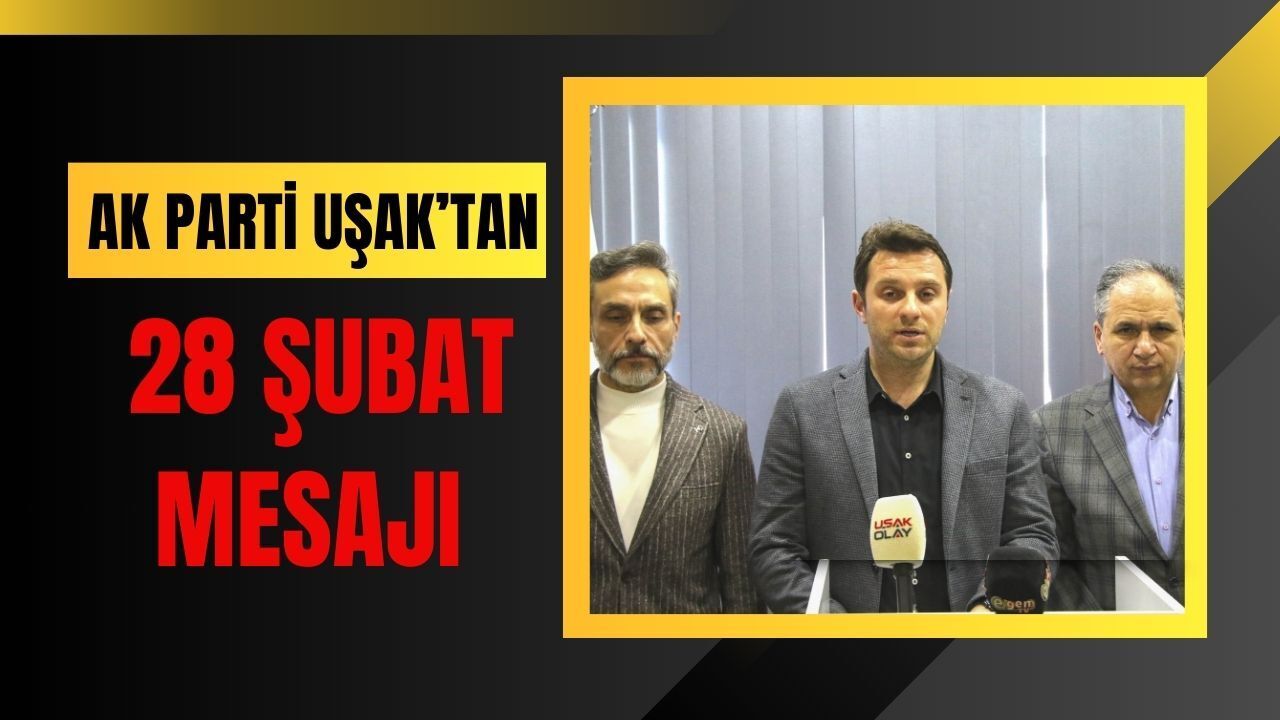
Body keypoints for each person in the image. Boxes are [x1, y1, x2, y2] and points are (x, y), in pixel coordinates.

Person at [749, 220, 1057, 612]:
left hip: (972, 637)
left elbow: (1033, 534)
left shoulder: (1003, 410)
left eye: (927, 294)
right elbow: (774, 546)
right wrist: (835, 627)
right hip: (846, 642)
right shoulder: (802, 409)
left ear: (947, 304)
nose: (911, 310)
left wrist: (990, 610)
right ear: (860, 305)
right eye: (891, 293)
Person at [589, 242, 761, 613]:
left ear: (675, 326)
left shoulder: (723, 435)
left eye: (653, 316)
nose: (636, 334)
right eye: (616, 316)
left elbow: (743, 590)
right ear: (588, 326)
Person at [1035, 259, 1185, 610]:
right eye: (1127, 330)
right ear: (1100, 337)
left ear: (1185, 334)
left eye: (1161, 329)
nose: (1145, 347)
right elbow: (1052, 557)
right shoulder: (1052, 430)